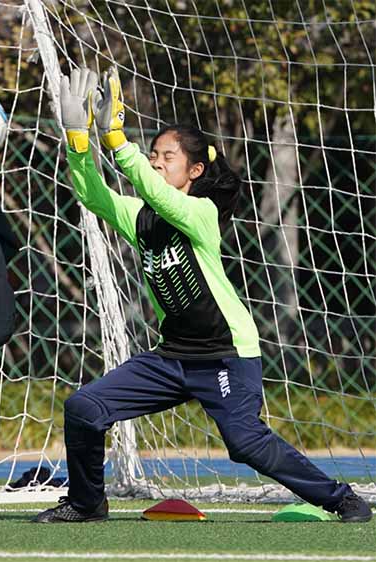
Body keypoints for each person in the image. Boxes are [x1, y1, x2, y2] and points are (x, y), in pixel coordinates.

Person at [33, 66, 372, 524]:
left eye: (166, 157)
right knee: (85, 408)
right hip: (172, 357)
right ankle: (87, 503)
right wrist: (78, 140)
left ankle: (341, 499)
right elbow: (93, 195)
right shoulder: (143, 219)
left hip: (225, 356)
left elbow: (153, 191)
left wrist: (115, 137)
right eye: (152, 154)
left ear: (194, 170)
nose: (155, 162)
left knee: (245, 441)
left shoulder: (200, 213)